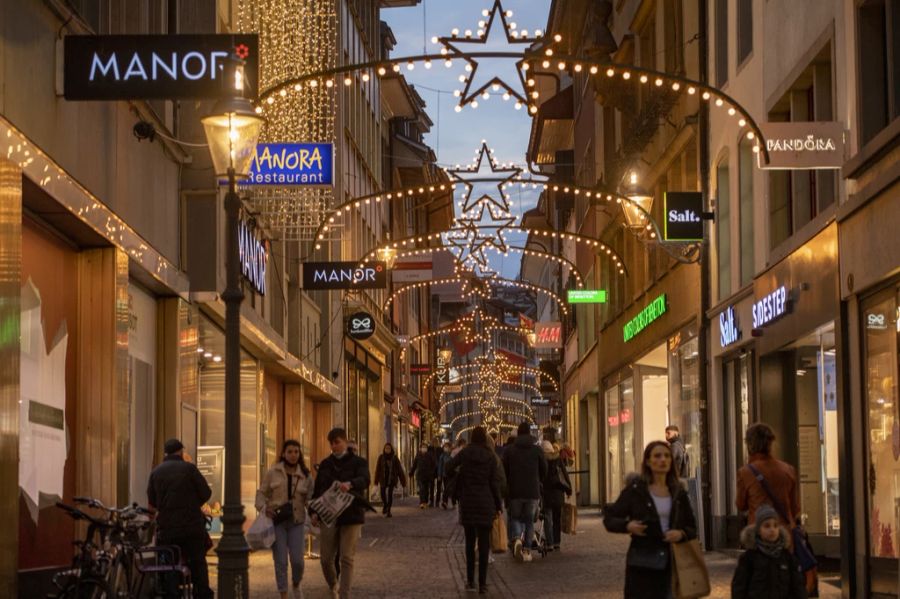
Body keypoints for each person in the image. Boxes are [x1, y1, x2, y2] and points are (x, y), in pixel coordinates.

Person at [603, 440, 698, 598]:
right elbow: (610, 518)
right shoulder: (636, 491)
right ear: (648, 461)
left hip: (674, 563)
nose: (663, 460)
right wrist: (627, 526)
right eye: (658, 456)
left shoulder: (678, 492)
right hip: (643, 564)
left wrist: (681, 534)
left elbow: (692, 527)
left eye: (667, 456)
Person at [736, 423, 816, 595]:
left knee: (758, 582)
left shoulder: (745, 472)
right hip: (784, 536)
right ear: (770, 444)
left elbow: (740, 504)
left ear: (749, 444)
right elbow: (795, 508)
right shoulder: (788, 470)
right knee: (785, 582)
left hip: (758, 535)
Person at [147, 438, 213, 599]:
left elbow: (152, 500)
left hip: (167, 528)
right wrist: (191, 504)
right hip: (192, 526)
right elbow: (206, 493)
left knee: (170, 564)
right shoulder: (189, 469)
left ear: (166, 453)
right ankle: (202, 594)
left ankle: (172, 594)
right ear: (180, 452)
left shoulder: (156, 472)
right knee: (198, 563)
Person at [309, 428, 370, 599]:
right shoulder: (326, 464)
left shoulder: (359, 462)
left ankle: (344, 595)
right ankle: (333, 584)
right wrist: (313, 511)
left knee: (346, 557)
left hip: (351, 514)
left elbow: (365, 480)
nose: (334, 446)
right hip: (328, 515)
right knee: (326, 558)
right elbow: (318, 489)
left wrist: (350, 484)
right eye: (331, 443)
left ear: (345, 442)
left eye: (337, 442)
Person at [446, 426, 503, 594]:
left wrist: (460, 475)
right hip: (486, 502)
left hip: (468, 502)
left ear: (471, 438)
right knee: (484, 545)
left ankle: (470, 581)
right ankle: (483, 584)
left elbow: (448, 467)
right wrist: (498, 505)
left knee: (470, 543)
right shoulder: (491, 457)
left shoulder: (465, 453)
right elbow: (494, 483)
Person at [256, 440, 313, 599]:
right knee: (280, 561)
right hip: (277, 522)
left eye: (296, 451)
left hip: (297, 521)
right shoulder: (272, 472)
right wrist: (264, 507)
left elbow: (310, 498)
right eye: (290, 451)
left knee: (297, 561)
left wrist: (315, 513)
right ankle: (283, 594)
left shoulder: (306, 475)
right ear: (283, 454)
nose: (293, 455)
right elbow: (261, 493)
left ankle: (296, 583)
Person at [731, 504, 808, 599]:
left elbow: (798, 586)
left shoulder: (787, 558)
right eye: (767, 526)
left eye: (775, 526)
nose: (772, 530)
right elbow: (739, 587)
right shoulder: (749, 558)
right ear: (759, 530)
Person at [502, 422, 548, 562]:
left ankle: (517, 539)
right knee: (529, 521)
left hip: (515, 491)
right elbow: (544, 469)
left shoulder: (509, 450)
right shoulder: (537, 450)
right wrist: (538, 480)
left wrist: (508, 485)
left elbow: (504, 471)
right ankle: (527, 551)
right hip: (532, 491)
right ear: (529, 433)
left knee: (515, 517)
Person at [541, 437, 572, 552]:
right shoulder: (558, 459)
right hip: (558, 493)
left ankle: (549, 543)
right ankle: (557, 542)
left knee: (548, 518)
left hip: (547, 494)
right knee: (557, 518)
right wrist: (569, 490)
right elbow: (564, 475)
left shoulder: (542, 460)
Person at [374, 443, 405, 517]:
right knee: (382, 493)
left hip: (392, 479)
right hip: (383, 479)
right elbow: (378, 469)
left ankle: (389, 510)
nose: (387, 450)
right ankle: (385, 504)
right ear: (384, 449)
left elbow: (399, 470)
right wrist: (376, 481)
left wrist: (403, 481)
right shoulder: (381, 457)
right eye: (386, 448)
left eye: (389, 448)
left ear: (391, 449)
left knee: (390, 494)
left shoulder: (394, 458)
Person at [409, 443, 437, 509]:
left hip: (428, 475)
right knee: (421, 489)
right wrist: (411, 472)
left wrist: (432, 472)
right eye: (422, 447)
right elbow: (414, 464)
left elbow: (434, 465)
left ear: (427, 448)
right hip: (420, 475)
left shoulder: (430, 455)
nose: (424, 448)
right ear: (420, 448)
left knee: (426, 490)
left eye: (425, 447)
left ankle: (425, 502)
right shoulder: (418, 455)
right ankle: (422, 502)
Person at [436, 442, 452, 509]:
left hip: (451, 475)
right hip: (445, 475)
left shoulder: (452, 455)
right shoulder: (442, 456)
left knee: (448, 488)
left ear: (450, 448)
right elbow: (440, 466)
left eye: (447, 447)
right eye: (445, 447)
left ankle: (446, 501)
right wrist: (439, 475)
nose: (445, 448)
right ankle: (444, 502)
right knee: (446, 488)